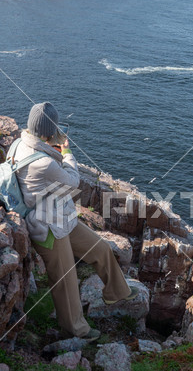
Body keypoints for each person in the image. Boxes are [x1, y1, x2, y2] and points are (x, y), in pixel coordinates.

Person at [12, 102, 139, 341]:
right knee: (66, 280)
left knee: (100, 248)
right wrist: (67, 153)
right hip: (47, 228)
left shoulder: (20, 143)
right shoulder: (44, 161)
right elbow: (72, 183)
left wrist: (52, 146)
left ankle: (117, 291)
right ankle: (77, 331)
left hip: (60, 216)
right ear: (50, 132)